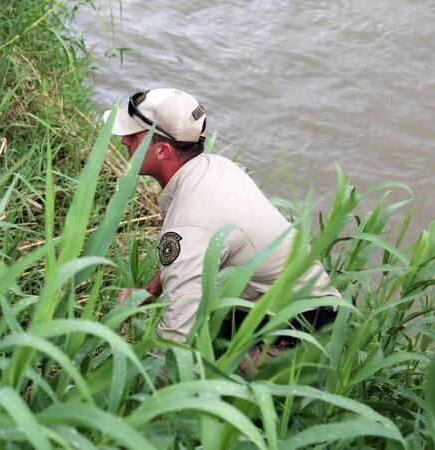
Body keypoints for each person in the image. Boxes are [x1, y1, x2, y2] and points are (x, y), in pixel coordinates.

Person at [104, 88, 340, 370]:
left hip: (298, 333)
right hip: (305, 305)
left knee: (206, 375)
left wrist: (144, 398)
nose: (124, 140)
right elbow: (189, 257)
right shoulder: (215, 168)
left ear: (163, 150)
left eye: (134, 135)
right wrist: (147, 293)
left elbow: (175, 340)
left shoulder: (191, 220)